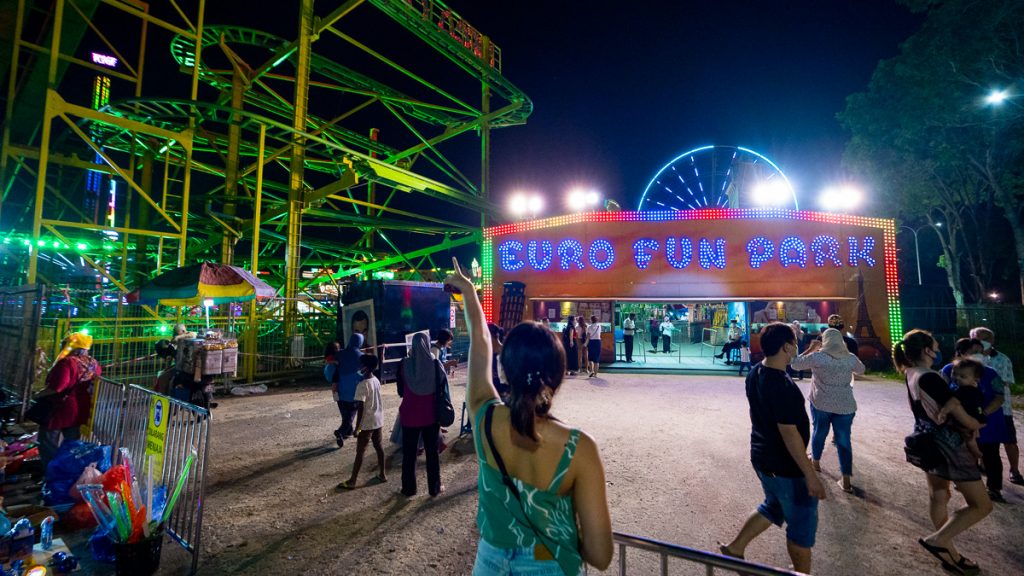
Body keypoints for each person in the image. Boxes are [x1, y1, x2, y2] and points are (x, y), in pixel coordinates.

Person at [445, 257, 613, 576]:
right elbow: (601, 555)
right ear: (558, 374)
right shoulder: (580, 449)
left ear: (505, 370)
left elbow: (481, 345)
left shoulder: (485, 419)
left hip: (489, 563)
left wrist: (468, 292)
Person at [719, 323, 825, 574]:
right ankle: (801, 572)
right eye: (795, 343)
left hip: (762, 455)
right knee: (801, 521)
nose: (797, 347)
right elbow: (789, 434)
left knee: (774, 505)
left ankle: (735, 548)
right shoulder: (782, 386)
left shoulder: (756, 372)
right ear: (787, 347)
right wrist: (810, 474)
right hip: (784, 464)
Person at [895, 330, 990, 576]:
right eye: (935, 347)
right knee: (981, 505)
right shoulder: (930, 377)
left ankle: (950, 554)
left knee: (939, 495)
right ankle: (938, 540)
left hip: (925, 440)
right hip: (949, 444)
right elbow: (963, 418)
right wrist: (978, 424)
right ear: (927, 351)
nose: (938, 351)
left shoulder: (910, 373)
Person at [789, 328, 866, 493]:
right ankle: (846, 480)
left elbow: (795, 364)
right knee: (844, 440)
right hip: (845, 406)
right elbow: (862, 370)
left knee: (820, 431)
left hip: (821, 403)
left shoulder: (819, 357)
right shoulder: (850, 358)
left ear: (825, 341)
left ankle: (815, 462)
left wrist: (811, 348)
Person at [940, 338, 1008, 502]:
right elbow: (943, 394)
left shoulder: (991, 373)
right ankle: (966, 482)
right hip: (960, 425)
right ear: (962, 352)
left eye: (981, 351)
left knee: (991, 455)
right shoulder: (949, 370)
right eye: (975, 351)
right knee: (965, 455)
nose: (980, 354)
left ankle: (994, 488)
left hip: (988, 422)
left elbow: (999, 397)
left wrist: (982, 413)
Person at [970, 326, 1023, 486]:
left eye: (985, 338)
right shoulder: (968, 360)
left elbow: (1004, 382)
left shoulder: (1002, 359)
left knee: (1009, 440)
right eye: (977, 338)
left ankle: (1014, 470)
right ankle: (981, 467)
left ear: (992, 341)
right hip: (976, 409)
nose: (981, 342)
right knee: (979, 442)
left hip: (1001, 408)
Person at [396, 332, 447, 497]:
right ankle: (435, 488)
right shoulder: (435, 364)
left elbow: (400, 391)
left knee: (409, 455)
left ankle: (409, 489)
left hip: (409, 416)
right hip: (430, 416)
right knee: (432, 454)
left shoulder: (404, 364)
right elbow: (442, 387)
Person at [40, 332, 100, 468]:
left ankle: (52, 470)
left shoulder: (68, 362)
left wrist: (38, 395)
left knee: (47, 441)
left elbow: (59, 386)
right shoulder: (94, 364)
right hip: (81, 409)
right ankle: (68, 470)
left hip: (61, 409)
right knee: (71, 444)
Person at [338, 354, 387, 489]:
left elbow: (361, 408)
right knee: (379, 446)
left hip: (367, 422)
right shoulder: (375, 380)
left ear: (365, 367)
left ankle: (353, 481)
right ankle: (383, 473)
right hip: (378, 419)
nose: (358, 367)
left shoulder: (362, 385)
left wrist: (357, 428)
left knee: (360, 451)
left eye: (360, 364)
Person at [943, 358, 987, 460]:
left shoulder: (964, 390)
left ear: (976, 379)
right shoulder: (975, 389)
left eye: (962, 376)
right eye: (954, 374)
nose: (957, 378)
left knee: (968, 437)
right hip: (978, 416)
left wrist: (943, 411)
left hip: (970, 418)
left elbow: (954, 402)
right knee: (973, 436)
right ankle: (977, 455)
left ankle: (977, 453)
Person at [333, 334, 364, 448]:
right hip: (353, 390)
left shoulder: (339, 354)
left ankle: (348, 431)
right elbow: (363, 373)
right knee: (351, 413)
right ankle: (340, 432)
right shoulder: (361, 356)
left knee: (345, 411)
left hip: (338, 388)